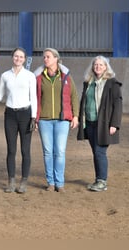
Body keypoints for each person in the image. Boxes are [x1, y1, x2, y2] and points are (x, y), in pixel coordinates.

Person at [0, 47, 37, 193]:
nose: (18, 59)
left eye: (21, 57)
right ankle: (11, 181)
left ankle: (23, 182)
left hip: (25, 114)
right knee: (11, 150)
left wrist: (33, 118)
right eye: (16, 56)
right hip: (10, 115)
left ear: (24, 59)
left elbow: (34, 98)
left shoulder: (30, 76)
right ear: (13, 57)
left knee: (25, 150)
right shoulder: (5, 76)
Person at [33, 48, 79, 193]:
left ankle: (60, 182)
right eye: (44, 57)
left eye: (48, 57)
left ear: (56, 59)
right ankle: (50, 182)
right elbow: (34, 99)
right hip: (44, 120)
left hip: (62, 120)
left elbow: (74, 96)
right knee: (47, 152)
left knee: (59, 151)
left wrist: (75, 115)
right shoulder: (39, 78)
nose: (45, 59)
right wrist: (35, 118)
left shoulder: (66, 77)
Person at [77, 56, 122, 192]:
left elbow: (118, 105)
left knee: (99, 152)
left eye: (101, 65)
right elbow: (83, 102)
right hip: (90, 123)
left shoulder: (112, 83)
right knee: (96, 152)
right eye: (95, 65)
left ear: (106, 67)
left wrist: (114, 124)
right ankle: (98, 180)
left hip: (104, 124)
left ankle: (102, 181)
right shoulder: (88, 82)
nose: (98, 67)